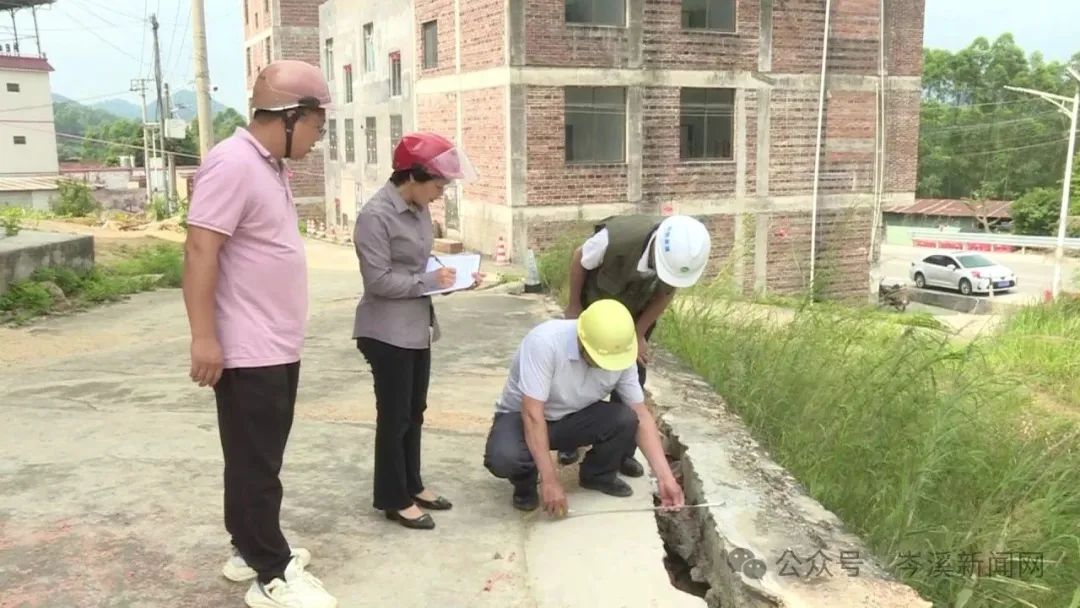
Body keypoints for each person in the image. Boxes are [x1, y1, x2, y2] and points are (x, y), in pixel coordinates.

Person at [182, 60, 337, 608]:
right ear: (290, 117)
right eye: (317, 125)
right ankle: (272, 574)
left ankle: (246, 549)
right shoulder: (232, 163)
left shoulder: (268, 166)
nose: (318, 137)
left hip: (274, 343)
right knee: (258, 466)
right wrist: (204, 337)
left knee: (252, 459)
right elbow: (200, 249)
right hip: (249, 347)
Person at [352, 131, 481, 531]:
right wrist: (428, 281)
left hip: (416, 327)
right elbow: (378, 280)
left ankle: (413, 484)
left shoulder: (419, 209)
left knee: (414, 412)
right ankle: (394, 499)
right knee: (394, 418)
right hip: (385, 331)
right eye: (437, 186)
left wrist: (454, 278)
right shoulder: (375, 217)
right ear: (411, 176)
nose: (439, 194)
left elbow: (419, 267)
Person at [482, 299, 686, 514]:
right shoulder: (544, 342)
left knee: (626, 419)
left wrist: (665, 477)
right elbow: (532, 414)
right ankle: (526, 481)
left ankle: (597, 475)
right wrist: (550, 481)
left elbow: (641, 415)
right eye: (597, 358)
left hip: (573, 417)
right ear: (580, 338)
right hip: (522, 418)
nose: (603, 366)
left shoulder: (621, 354)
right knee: (504, 457)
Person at [557, 214, 711, 472]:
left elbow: (665, 294)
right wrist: (574, 306)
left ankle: (620, 452)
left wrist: (638, 335)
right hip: (593, 315)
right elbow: (579, 259)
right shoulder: (615, 239)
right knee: (579, 373)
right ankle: (570, 440)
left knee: (632, 378)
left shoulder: (680, 260)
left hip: (633, 320)